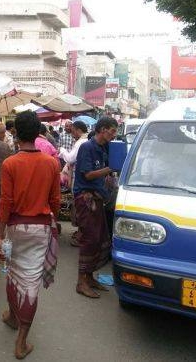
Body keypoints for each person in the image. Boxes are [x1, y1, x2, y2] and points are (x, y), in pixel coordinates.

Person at [0, 111, 61, 360]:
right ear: (38, 134)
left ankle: (13, 316)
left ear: (15, 133)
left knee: (12, 275)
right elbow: (55, 200)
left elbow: (5, 203)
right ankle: (21, 340)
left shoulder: (10, 164)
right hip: (40, 228)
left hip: (14, 228)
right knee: (30, 283)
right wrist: (52, 220)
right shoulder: (51, 163)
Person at [73, 116, 118, 298]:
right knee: (90, 239)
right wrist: (109, 169)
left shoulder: (102, 149)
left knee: (99, 239)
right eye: (112, 131)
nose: (114, 135)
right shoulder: (87, 147)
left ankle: (89, 276)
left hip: (98, 199)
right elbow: (89, 174)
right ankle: (81, 281)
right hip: (86, 199)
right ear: (102, 129)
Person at [58, 120, 89, 246]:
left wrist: (62, 150)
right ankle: (80, 232)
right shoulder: (83, 141)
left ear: (77, 130)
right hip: (79, 178)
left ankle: (82, 234)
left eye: (73, 131)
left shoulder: (81, 142)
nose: (72, 134)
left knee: (80, 208)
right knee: (80, 207)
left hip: (80, 180)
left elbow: (71, 158)